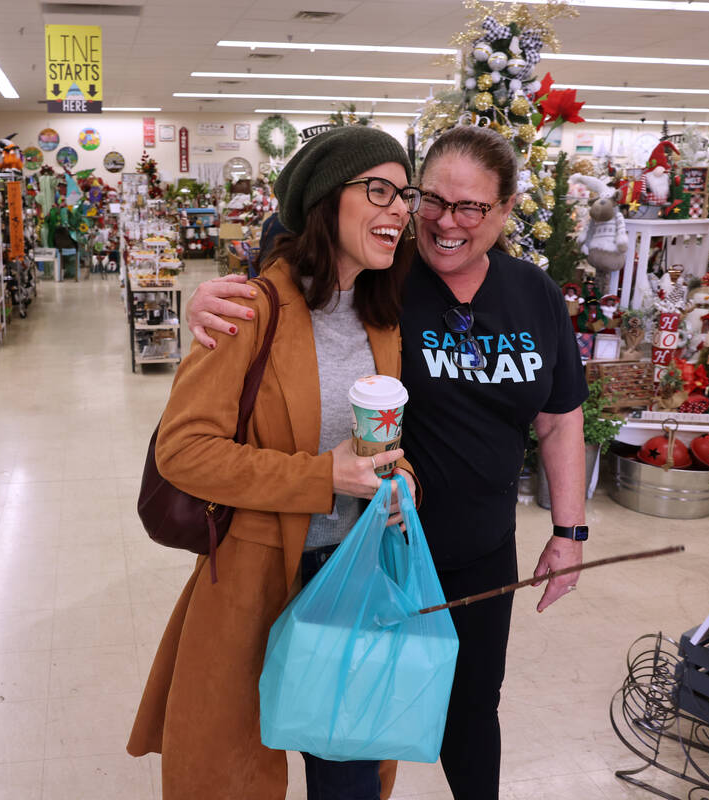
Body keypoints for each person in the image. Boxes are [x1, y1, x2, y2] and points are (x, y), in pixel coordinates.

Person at [183, 124, 589, 799]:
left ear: (507, 211)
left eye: (472, 208)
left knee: (468, 706)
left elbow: (560, 415)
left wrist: (570, 531)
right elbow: (296, 244)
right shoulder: (386, 275)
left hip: (482, 546)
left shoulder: (532, 293)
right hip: (373, 549)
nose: (444, 221)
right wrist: (211, 298)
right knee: (323, 729)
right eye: (429, 199)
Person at [127, 126, 425, 799]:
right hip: (257, 576)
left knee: (349, 776)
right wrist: (323, 477)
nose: (401, 208)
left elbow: (382, 449)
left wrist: (399, 486)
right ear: (326, 200)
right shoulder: (249, 308)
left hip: (352, 580)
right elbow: (183, 451)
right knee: (237, 772)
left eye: (405, 193)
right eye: (378, 189)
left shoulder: (383, 317)